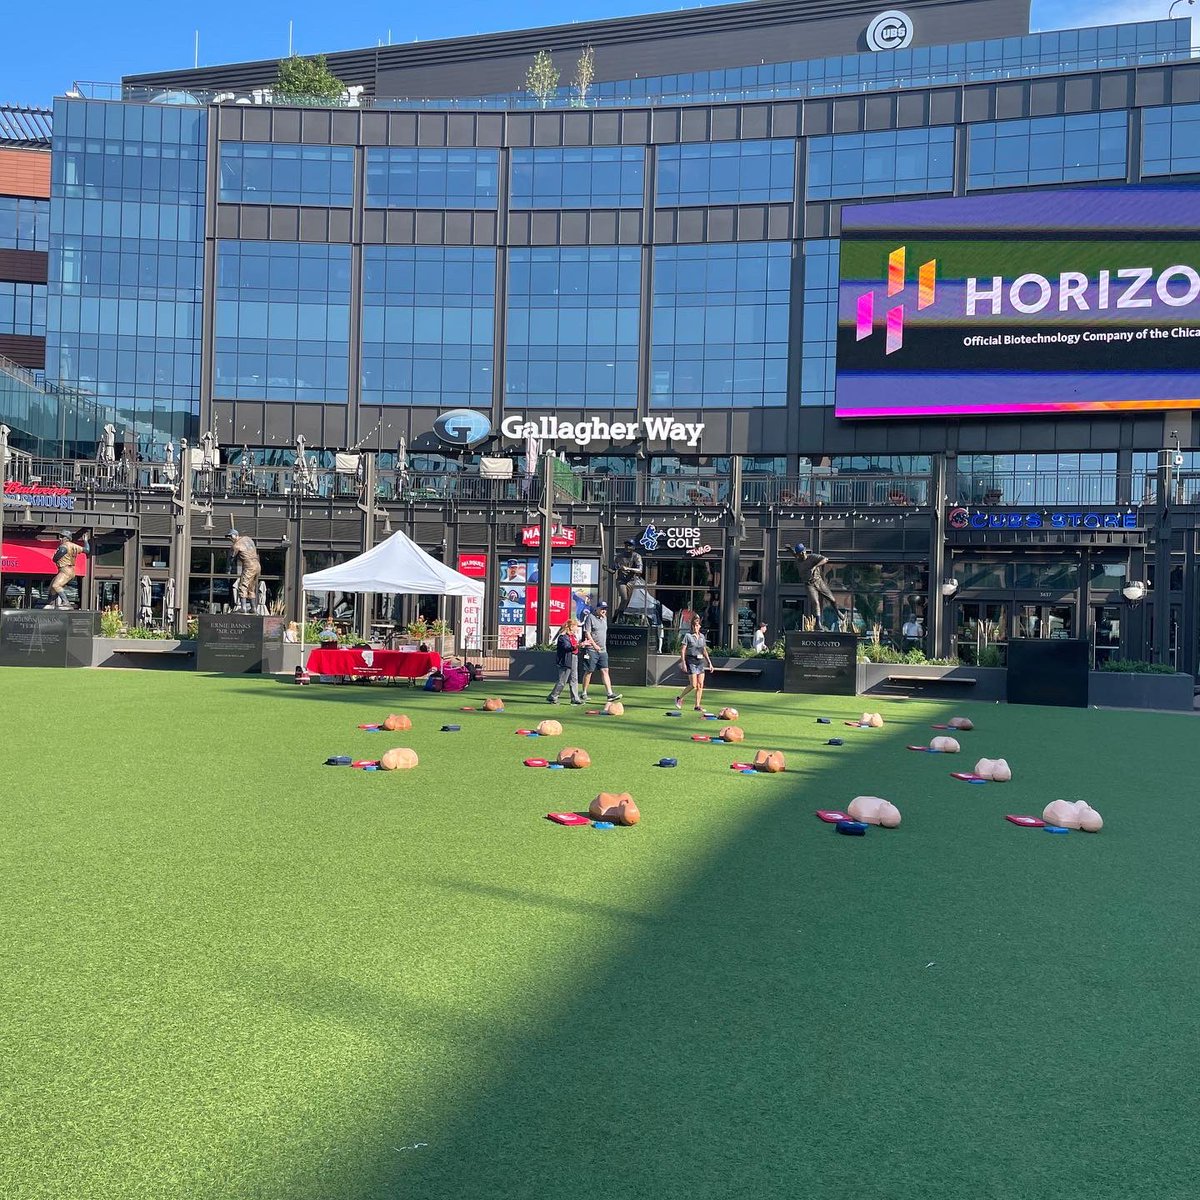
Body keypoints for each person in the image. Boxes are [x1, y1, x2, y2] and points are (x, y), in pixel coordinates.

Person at [579, 600, 622, 704]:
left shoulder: (604, 618)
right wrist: (594, 645)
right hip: (591, 649)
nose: (604, 611)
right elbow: (587, 633)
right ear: (597, 608)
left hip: (603, 650)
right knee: (589, 671)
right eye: (602, 608)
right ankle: (584, 693)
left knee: (605, 670)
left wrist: (600, 647)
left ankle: (609, 694)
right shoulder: (590, 617)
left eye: (605, 609)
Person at [791, 543, 840, 627]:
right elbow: (794, 555)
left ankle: (837, 612)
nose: (803, 554)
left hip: (818, 581)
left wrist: (815, 566)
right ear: (798, 554)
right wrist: (790, 550)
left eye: (803, 552)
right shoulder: (798, 560)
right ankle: (818, 623)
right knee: (815, 602)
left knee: (832, 599)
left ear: (805, 551)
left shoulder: (812, 557)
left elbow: (825, 559)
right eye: (800, 553)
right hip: (809, 584)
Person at [675, 613, 715, 712]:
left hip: (700, 661)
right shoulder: (688, 636)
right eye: (695, 625)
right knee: (693, 684)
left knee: (700, 684)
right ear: (692, 626)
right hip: (691, 660)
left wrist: (709, 662)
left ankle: (697, 705)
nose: (697, 627)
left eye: (698, 625)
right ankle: (679, 698)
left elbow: (704, 650)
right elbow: (683, 650)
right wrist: (683, 662)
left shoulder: (702, 636)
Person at [46, 529, 90, 609]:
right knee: (52, 587)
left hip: (65, 569)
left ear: (66, 538)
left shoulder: (64, 546)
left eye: (62, 537)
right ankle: (50, 603)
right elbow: (87, 550)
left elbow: (56, 558)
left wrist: (55, 556)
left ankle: (66, 602)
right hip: (68, 570)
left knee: (56, 585)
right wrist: (86, 541)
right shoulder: (74, 546)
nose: (60, 538)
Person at [547, 617, 583, 705]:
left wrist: (581, 645)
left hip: (574, 658)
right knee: (562, 680)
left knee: (574, 679)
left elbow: (574, 646)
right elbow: (567, 647)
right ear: (571, 627)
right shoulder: (563, 637)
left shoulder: (573, 636)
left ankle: (575, 698)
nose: (577, 628)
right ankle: (553, 696)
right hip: (566, 659)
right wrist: (578, 646)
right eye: (575, 626)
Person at [226, 529, 261, 614]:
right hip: (257, 565)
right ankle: (253, 608)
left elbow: (231, 558)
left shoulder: (236, 545)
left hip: (249, 566)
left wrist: (228, 569)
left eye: (230, 537)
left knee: (243, 585)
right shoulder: (248, 538)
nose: (230, 539)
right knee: (251, 587)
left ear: (234, 535)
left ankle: (243, 608)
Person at [611, 539, 645, 621]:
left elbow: (640, 570)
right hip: (621, 581)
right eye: (626, 545)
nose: (627, 547)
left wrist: (628, 568)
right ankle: (621, 615)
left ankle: (617, 614)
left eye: (629, 545)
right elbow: (613, 570)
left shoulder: (637, 556)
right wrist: (607, 569)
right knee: (624, 598)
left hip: (631, 581)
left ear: (633, 547)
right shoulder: (619, 557)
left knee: (627, 601)